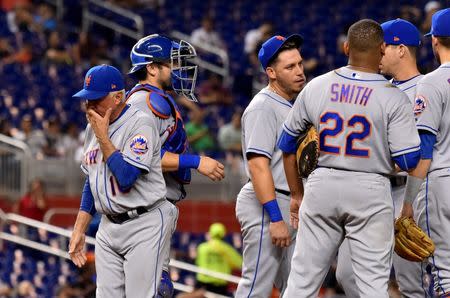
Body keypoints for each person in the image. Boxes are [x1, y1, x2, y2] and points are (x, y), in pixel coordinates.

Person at [278, 19, 421, 297]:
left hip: (322, 184)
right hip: (370, 187)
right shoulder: (393, 97)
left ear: (346, 48)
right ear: (382, 49)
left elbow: (286, 142)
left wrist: (296, 192)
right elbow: (409, 161)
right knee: (372, 287)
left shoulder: (316, 86)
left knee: (301, 283)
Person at [126, 34, 225, 297]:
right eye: (171, 63)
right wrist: (196, 161)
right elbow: (142, 157)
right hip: (145, 208)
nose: (178, 69)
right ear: (152, 67)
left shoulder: (155, 99)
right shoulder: (143, 103)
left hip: (157, 205)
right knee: (155, 289)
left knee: (160, 287)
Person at [335, 18, 426, 298]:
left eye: (383, 47)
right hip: (374, 191)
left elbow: (423, 152)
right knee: (347, 273)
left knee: (412, 282)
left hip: (409, 192)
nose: (377, 52)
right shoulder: (378, 88)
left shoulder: (427, 87)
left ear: (401, 50)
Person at [68, 64, 177, 297]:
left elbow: (126, 177)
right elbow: (92, 180)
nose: (89, 105)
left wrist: (103, 137)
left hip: (144, 222)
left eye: (96, 99)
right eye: (87, 99)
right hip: (108, 225)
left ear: (118, 97)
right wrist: (79, 230)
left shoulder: (140, 123)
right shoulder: (93, 128)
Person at [235, 34, 305, 297]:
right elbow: (257, 166)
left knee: (297, 288)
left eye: (299, 64)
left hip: (290, 203)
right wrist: (275, 218)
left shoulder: (289, 105)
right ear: (271, 72)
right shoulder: (263, 107)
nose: (299, 71)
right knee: (256, 287)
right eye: (290, 67)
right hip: (267, 203)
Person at [400, 8, 450, 297]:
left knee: (444, 271)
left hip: (441, 182)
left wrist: (408, 203)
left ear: (434, 42)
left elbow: (425, 150)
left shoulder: (430, 82)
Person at [195, 223, 242, 295]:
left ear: (210, 233)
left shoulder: (202, 247)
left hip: (202, 283)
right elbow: (239, 264)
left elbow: (198, 262)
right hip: (220, 286)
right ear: (223, 234)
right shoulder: (227, 249)